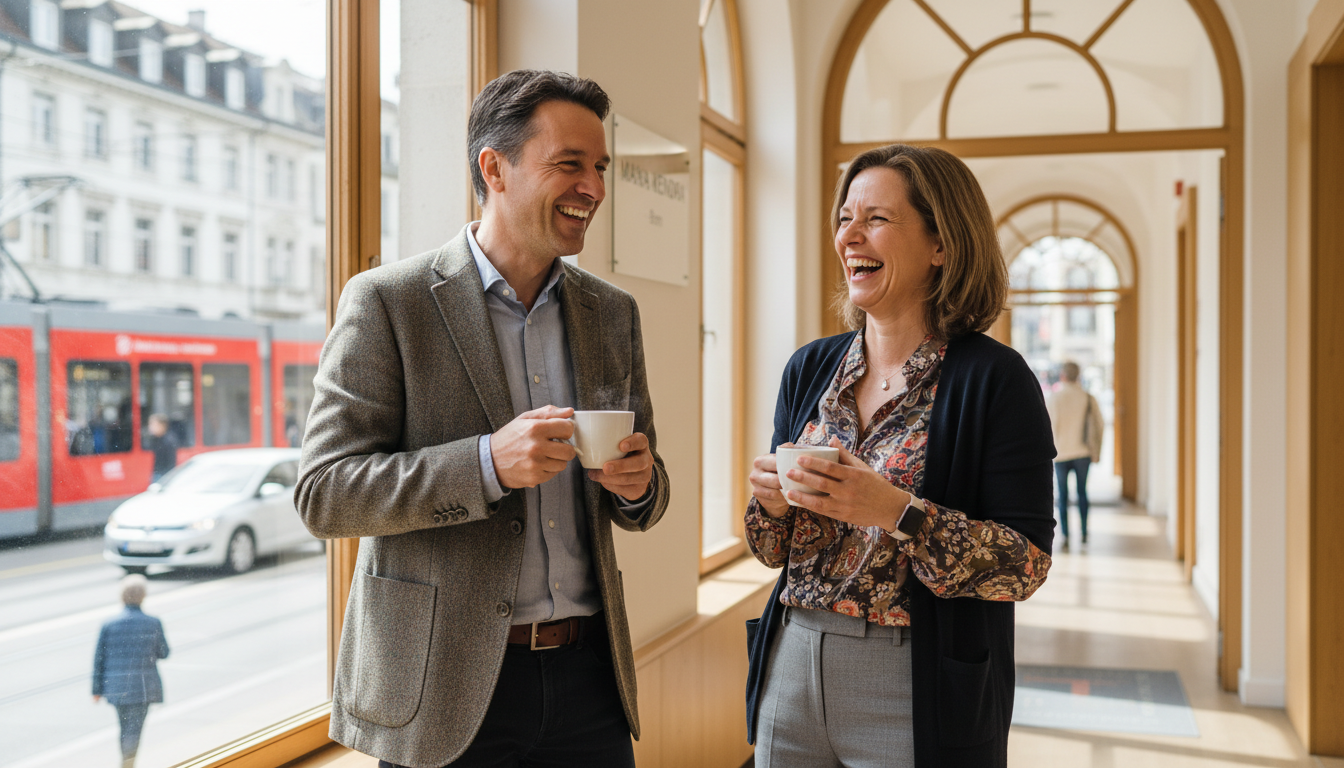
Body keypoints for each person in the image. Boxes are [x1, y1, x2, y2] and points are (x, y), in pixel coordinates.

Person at [296, 69, 670, 768]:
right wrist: (486, 465)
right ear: (494, 168)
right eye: (570, 165)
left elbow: (648, 497)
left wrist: (639, 483)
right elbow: (324, 494)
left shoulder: (612, 313)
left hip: (591, 682)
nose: (594, 187)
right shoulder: (389, 302)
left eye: (599, 167)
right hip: (442, 690)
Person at [742, 144, 1056, 767]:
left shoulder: (997, 380)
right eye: (844, 218)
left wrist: (897, 511)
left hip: (914, 678)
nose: (849, 235)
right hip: (794, 657)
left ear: (941, 244)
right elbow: (771, 550)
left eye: (876, 219)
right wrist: (770, 504)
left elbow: (1026, 564)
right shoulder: (810, 368)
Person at [92, 574, 170, 768]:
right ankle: (128, 764)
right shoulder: (153, 622)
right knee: (135, 729)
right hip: (142, 687)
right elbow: (164, 652)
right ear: (143, 596)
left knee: (125, 727)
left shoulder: (109, 624)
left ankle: (126, 761)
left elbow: (98, 660)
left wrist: (96, 690)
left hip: (117, 687)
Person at [1045, 361, 1103, 549]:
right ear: (1078, 376)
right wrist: (1097, 450)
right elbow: (1099, 425)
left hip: (1061, 452)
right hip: (1083, 453)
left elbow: (1049, 426)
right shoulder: (1087, 398)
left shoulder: (1055, 398)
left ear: (1063, 375)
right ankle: (1085, 533)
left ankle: (1066, 535)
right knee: (1082, 493)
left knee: (1062, 496)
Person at [145, 414, 178, 484]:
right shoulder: (155, 439)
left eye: (153, 424)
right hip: (157, 473)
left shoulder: (169, 440)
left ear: (162, 426)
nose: (150, 427)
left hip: (164, 475)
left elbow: (171, 462)